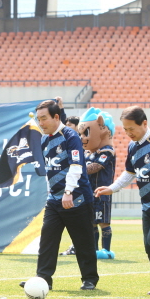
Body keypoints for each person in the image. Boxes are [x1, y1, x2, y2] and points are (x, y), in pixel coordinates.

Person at [95, 106, 150, 295]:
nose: (128, 133)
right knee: (149, 246)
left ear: (144, 123)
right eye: (125, 129)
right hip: (148, 204)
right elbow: (130, 173)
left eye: (131, 129)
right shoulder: (132, 146)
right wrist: (111, 188)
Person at [21, 99, 99, 291]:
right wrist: (52, 193)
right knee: (48, 239)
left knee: (83, 241)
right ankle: (43, 278)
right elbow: (50, 169)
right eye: (38, 119)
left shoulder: (70, 136)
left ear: (56, 117)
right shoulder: (45, 139)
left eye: (44, 118)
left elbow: (76, 166)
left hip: (77, 199)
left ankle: (89, 279)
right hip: (55, 201)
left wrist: (68, 192)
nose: (41, 123)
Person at [61, 107, 116, 259]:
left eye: (86, 133)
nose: (83, 138)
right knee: (91, 222)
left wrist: (77, 169)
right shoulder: (87, 152)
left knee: (103, 222)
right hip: (88, 192)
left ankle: (107, 250)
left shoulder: (107, 151)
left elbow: (96, 167)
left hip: (102, 191)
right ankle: (94, 249)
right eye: (81, 134)